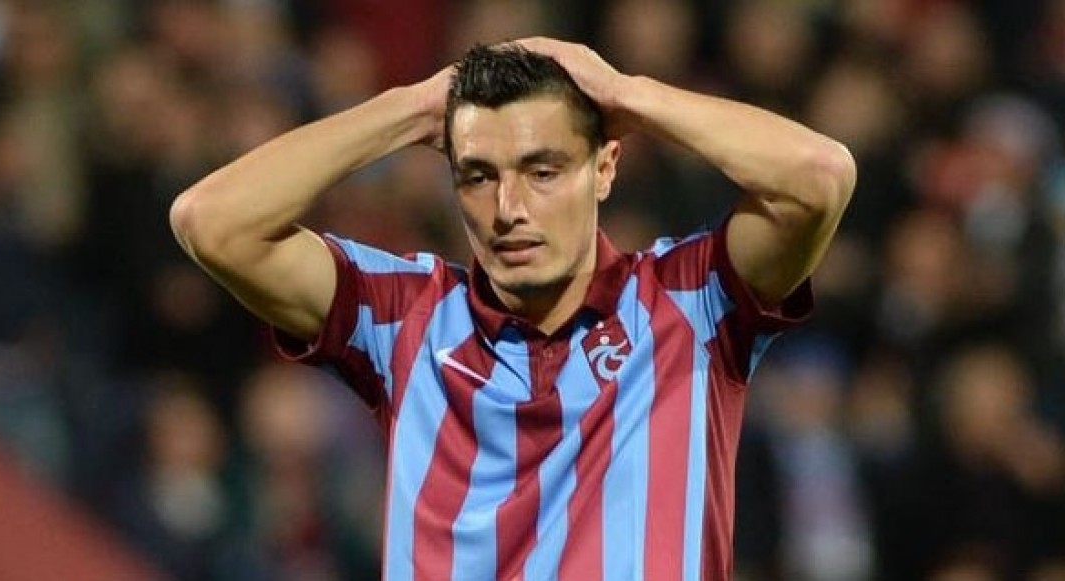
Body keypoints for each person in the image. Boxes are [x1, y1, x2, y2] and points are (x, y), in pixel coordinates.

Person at [170, 37, 854, 580]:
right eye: (478, 175)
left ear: (605, 168)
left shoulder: (690, 301)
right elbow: (211, 222)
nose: (508, 209)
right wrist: (412, 107)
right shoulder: (403, 317)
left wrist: (627, 93)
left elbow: (818, 177)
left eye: (542, 170)